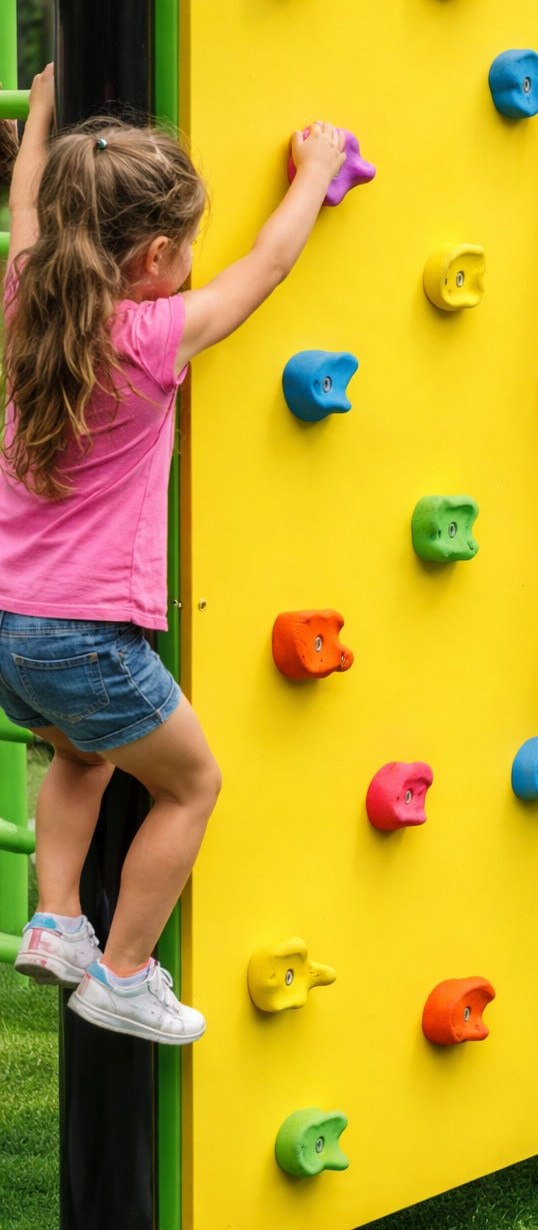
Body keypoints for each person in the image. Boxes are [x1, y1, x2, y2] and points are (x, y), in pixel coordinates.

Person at [3, 65, 346, 1044]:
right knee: (190, 784)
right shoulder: (153, 336)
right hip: (88, 630)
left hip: (10, 628)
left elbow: (28, 204)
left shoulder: (27, 298)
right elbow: (263, 271)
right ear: (155, 256)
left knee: (79, 755)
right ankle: (123, 971)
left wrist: (40, 123)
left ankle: (58, 921)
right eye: (189, 245)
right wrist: (313, 171)